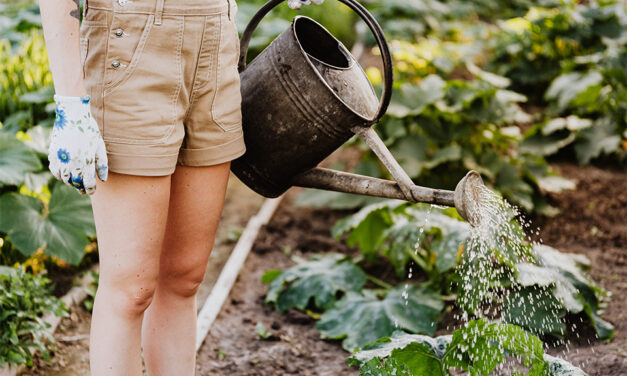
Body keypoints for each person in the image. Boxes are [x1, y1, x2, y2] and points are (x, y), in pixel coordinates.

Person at [38, 0, 323, 374]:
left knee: (185, 277)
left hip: (215, 38)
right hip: (129, 43)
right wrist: (72, 103)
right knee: (131, 289)